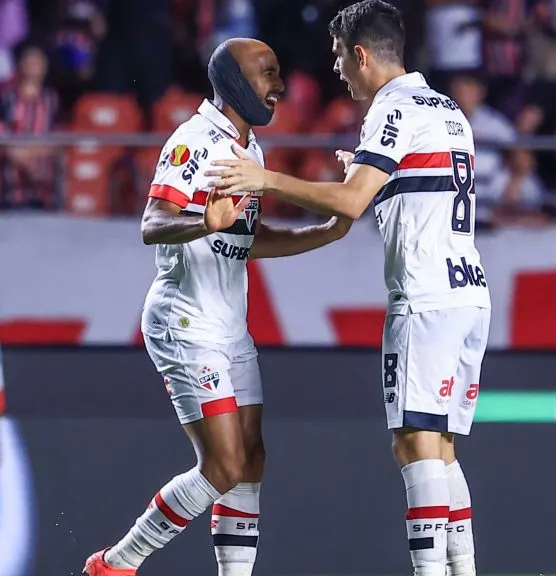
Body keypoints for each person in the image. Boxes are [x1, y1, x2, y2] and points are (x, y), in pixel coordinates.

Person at [206, 2, 490, 576]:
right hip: (468, 293)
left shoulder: (393, 107)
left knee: (414, 444)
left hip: (426, 298)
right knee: (442, 447)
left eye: (338, 56)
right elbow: (416, 188)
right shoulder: (446, 107)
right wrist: (368, 173)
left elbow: (352, 202)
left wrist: (265, 178)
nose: (336, 68)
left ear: (360, 54)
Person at [83, 38, 353, 576]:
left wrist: (327, 230)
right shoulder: (194, 140)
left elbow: (247, 239)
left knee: (251, 460)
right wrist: (203, 222)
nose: (280, 86)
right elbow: (153, 223)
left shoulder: (251, 150)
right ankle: (115, 564)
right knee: (224, 465)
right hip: (185, 322)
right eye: (268, 74)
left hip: (230, 327)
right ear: (232, 81)